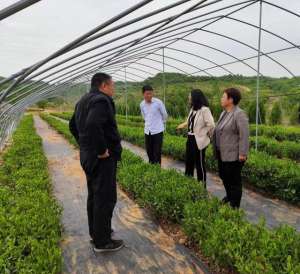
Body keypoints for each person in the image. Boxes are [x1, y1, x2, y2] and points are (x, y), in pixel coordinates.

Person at [69, 73, 124, 252]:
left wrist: (84, 144)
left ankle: (98, 232)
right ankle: (103, 242)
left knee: (94, 195)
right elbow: (93, 124)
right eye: (112, 85)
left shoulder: (83, 101)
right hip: (101, 160)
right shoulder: (101, 101)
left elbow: (72, 125)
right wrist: (101, 150)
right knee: (105, 198)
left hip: (87, 157)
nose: (113, 88)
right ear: (103, 85)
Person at [212, 87, 249, 209]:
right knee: (224, 176)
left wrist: (242, 153)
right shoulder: (224, 113)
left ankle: (235, 206)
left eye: (223, 97)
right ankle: (229, 196)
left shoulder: (239, 114)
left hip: (233, 155)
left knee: (234, 182)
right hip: (222, 153)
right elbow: (219, 130)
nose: (221, 99)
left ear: (231, 99)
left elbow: (244, 135)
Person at [177, 89, 215, 188]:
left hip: (199, 140)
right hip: (190, 138)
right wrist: (183, 124)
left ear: (195, 97)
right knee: (189, 161)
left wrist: (203, 134)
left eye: (190, 96)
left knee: (200, 164)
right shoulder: (193, 109)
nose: (189, 98)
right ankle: (188, 183)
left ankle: (201, 186)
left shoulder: (204, 110)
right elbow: (190, 121)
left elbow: (211, 125)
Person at [140, 85, 168, 165]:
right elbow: (144, 116)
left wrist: (159, 123)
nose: (149, 95)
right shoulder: (142, 104)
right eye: (147, 93)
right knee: (149, 151)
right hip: (147, 131)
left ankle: (157, 170)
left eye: (151, 93)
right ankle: (151, 168)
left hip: (158, 131)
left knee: (157, 152)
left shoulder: (158, 103)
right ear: (143, 94)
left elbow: (165, 115)